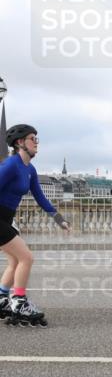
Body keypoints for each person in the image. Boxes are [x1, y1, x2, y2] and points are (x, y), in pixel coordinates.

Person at [0, 124, 71, 327]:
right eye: (33, 139)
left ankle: (2, 298)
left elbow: (40, 197)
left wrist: (59, 219)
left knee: (15, 260)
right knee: (26, 258)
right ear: (20, 142)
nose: (37, 143)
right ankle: (19, 302)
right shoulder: (10, 165)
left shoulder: (30, 169)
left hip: (5, 219)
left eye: (37, 139)